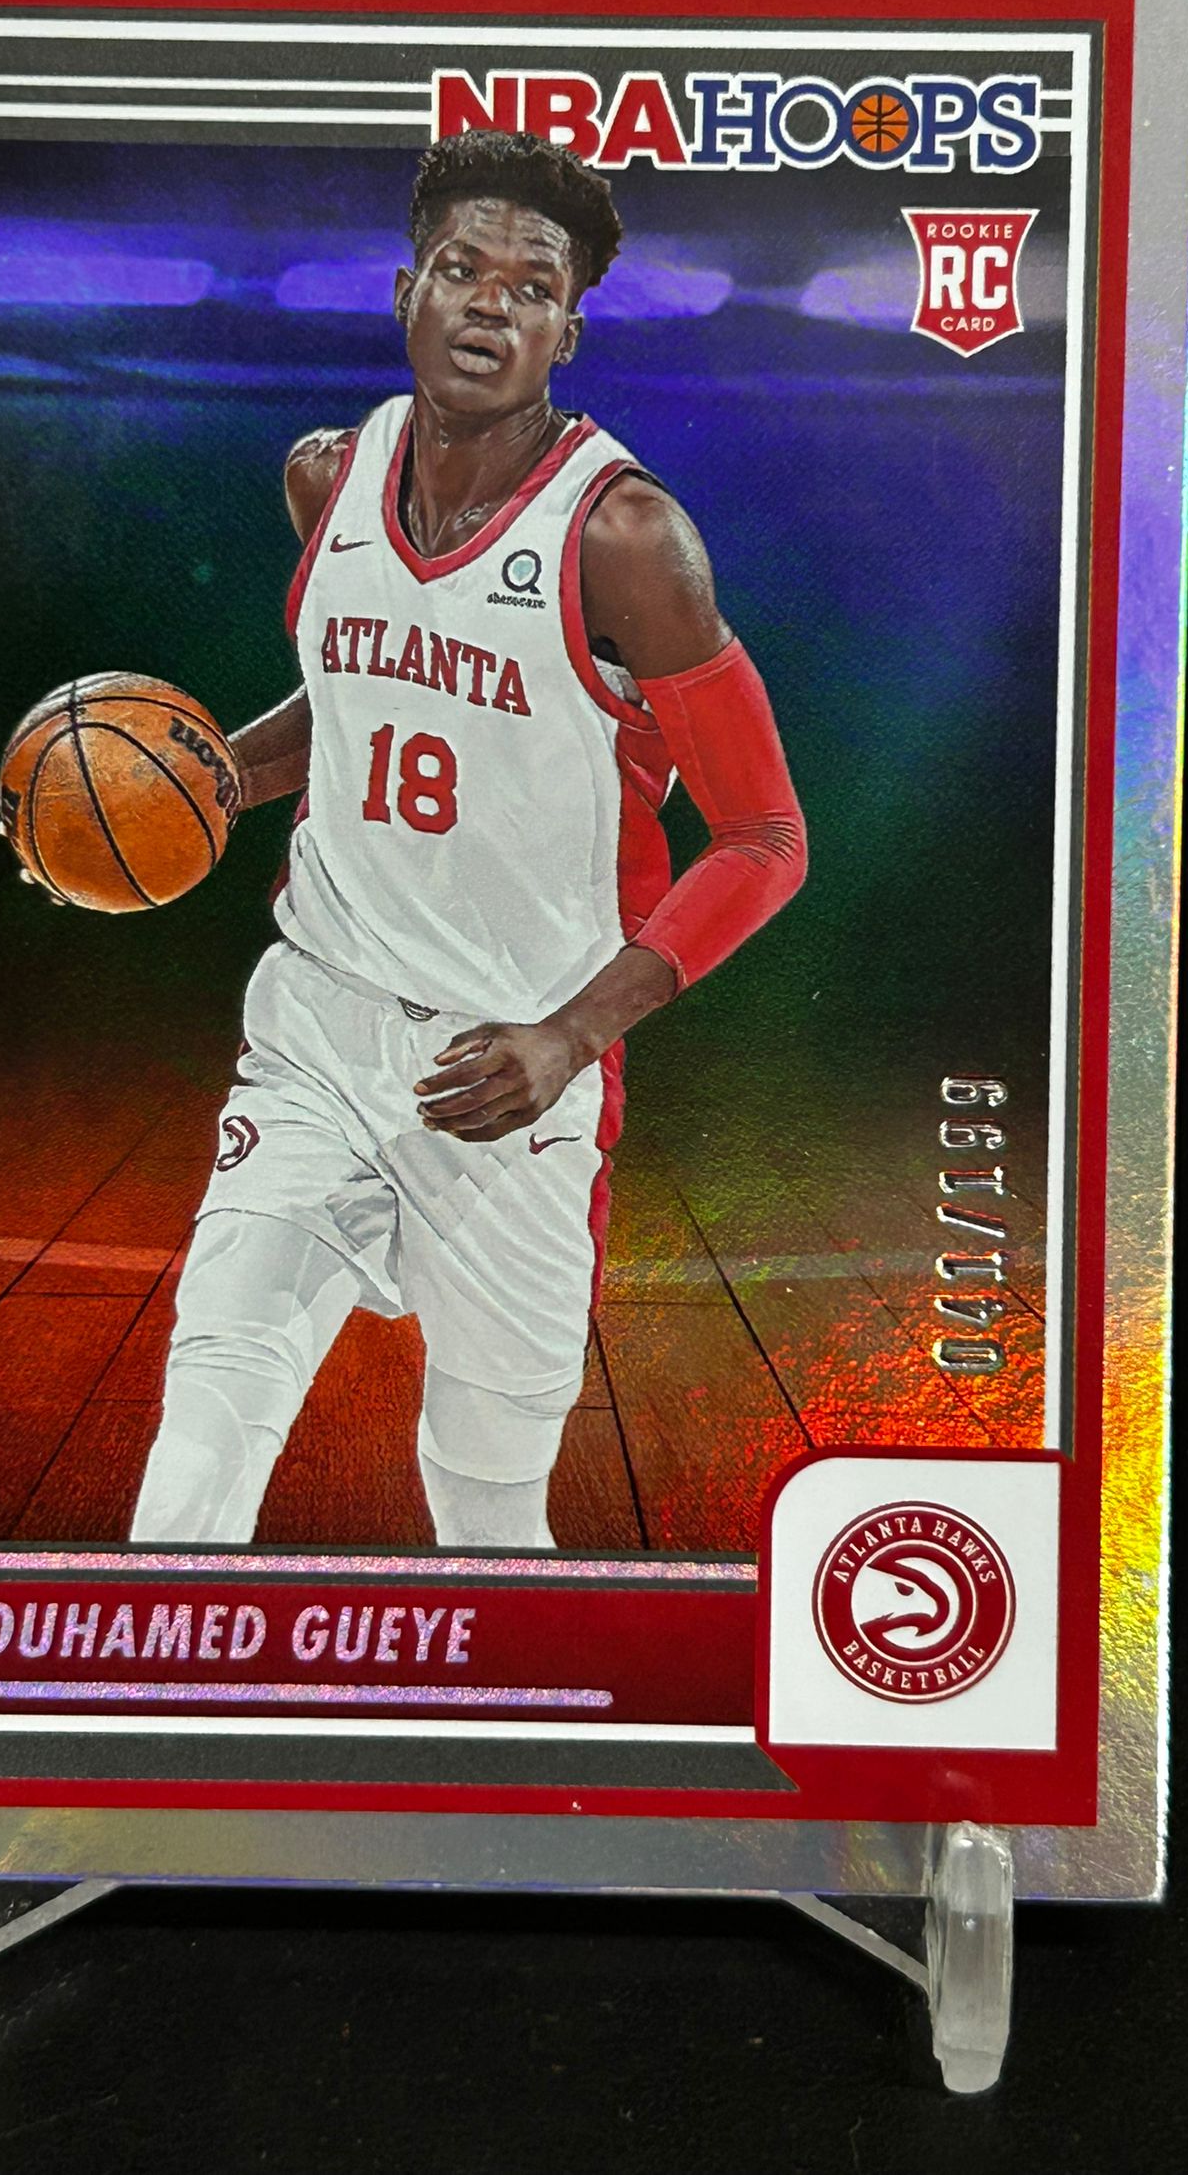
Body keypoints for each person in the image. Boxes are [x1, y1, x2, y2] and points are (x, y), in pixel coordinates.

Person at [129, 128, 806, 1551]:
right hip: (318, 1026)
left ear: (569, 328)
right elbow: (353, 698)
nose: (492, 301)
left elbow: (762, 836)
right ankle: (143, 1683)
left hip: (510, 1064)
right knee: (206, 1421)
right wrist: (214, 781)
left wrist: (569, 1037)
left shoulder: (628, 539)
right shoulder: (329, 477)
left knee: (489, 1506)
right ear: (407, 292)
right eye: (461, 268)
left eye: (533, 285)